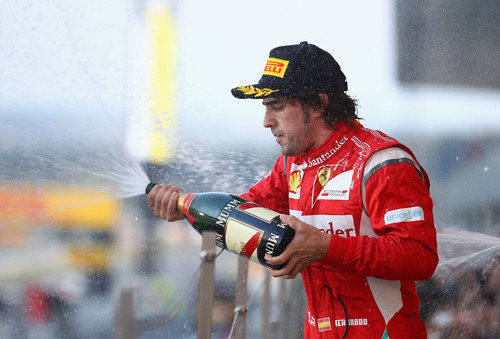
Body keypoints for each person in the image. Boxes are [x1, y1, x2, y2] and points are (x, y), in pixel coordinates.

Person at [148, 41, 438, 338]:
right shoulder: (290, 165)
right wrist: (183, 206)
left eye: (278, 106)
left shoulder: (382, 162)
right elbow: (241, 213)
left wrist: (325, 247)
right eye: (265, 108)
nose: (266, 122)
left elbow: (420, 257)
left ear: (319, 105)